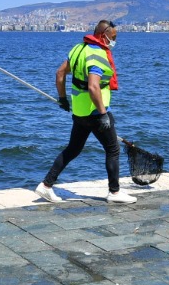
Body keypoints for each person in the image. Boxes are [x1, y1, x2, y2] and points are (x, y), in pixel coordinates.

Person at [36, 19, 136, 204]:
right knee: (113, 150)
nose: (115, 40)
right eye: (113, 37)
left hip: (80, 111)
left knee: (73, 149)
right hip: (96, 112)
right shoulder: (98, 54)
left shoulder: (78, 49)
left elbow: (60, 74)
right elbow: (93, 87)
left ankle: (46, 185)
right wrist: (103, 113)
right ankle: (114, 193)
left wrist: (63, 99)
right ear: (104, 35)